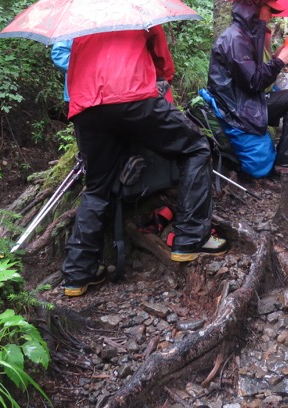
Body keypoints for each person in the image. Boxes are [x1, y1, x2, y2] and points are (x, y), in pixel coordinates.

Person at [60, 26, 227, 298]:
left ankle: (78, 274)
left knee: (97, 186)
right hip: (134, 98)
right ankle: (191, 238)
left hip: (87, 108)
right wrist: (160, 82)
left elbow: (74, 69)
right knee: (196, 147)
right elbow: (163, 64)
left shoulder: (83, 26)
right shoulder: (139, 13)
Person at [206, 0, 288, 188]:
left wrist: (276, 57)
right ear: (254, 6)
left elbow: (251, 74)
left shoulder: (245, 35)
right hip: (237, 108)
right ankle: (287, 165)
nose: (272, 16)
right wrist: (279, 62)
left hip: (244, 101)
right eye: (270, 10)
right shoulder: (235, 38)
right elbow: (253, 82)